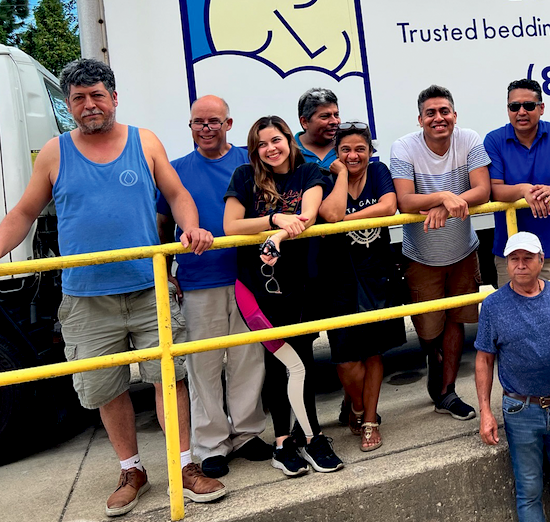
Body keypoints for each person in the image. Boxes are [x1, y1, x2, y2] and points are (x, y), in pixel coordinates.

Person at [0, 58, 225, 517]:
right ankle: (132, 470)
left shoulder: (145, 142)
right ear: (69, 105)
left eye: (97, 95)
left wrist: (190, 228)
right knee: (106, 388)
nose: (89, 105)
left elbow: (178, 195)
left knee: (170, 378)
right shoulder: (54, 152)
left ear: (114, 97)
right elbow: (23, 214)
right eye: (79, 98)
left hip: (148, 289)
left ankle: (184, 466)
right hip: (86, 297)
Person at [223, 115, 344, 476]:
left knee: (302, 357)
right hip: (256, 289)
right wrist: (274, 221)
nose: (270, 149)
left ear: (289, 140)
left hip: (301, 284)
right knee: (286, 363)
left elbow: (307, 215)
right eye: (261, 144)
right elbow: (231, 226)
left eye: (275, 140)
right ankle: (301, 439)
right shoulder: (244, 177)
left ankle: (294, 440)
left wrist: (279, 235)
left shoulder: (308, 172)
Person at [156, 95, 269, 479]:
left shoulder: (248, 162)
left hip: (246, 279)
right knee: (203, 364)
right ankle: (211, 444)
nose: (205, 128)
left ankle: (248, 433)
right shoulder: (175, 170)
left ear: (229, 124)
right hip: (198, 279)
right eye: (198, 122)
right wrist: (167, 271)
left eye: (213, 121)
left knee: (248, 359)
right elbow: (160, 223)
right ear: (190, 126)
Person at [475, 232, 550, 522]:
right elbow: (484, 359)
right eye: (514, 258)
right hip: (520, 409)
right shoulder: (493, 306)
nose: (520, 264)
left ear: (541, 260)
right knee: (528, 492)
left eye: (528, 258)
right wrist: (485, 412)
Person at [390, 84, 491, 420]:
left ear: (455, 115)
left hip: (463, 251)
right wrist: (445, 197)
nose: (438, 118)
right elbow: (405, 200)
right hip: (421, 257)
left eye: (444, 111)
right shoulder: (404, 147)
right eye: (431, 113)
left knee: (457, 321)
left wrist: (445, 206)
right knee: (429, 330)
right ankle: (437, 375)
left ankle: (447, 392)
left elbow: (482, 189)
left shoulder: (469, 139)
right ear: (420, 119)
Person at [318, 122, 405, 452]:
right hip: (339, 279)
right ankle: (355, 407)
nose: (354, 155)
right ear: (336, 154)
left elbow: (388, 206)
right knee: (345, 360)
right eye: (346, 150)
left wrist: (343, 222)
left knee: (373, 353)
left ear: (370, 152)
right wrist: (340, 176)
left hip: (376, 275)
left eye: (360, 149)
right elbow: (328, 213)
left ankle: (369, 419)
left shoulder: (379, 171)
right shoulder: (325, 179)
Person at [484, 78, 550, 288]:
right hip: (510, 251)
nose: (521, 112)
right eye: (514, 106)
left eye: (529, 106)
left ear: (541, 108)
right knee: (512, 318)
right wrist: (523, 190)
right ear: (508, 109)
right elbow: (493, 190)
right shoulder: (493, 140)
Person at [295, 88, 341, 169]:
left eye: (336, 115)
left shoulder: (348, 149)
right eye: (325, 116)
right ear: (304, 122)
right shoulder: (288, 151)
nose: (334, 121)